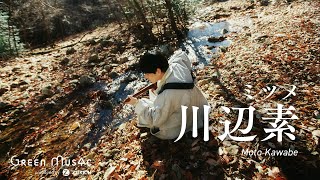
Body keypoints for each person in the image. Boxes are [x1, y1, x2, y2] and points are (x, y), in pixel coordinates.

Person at [125, 50, 208, 140]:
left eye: (147, 74)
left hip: (186, 121)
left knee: (144, 106)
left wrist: (136, 103)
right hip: (199, 106)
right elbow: (181, 54)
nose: (145, 77)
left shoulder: (167, 94)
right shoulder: (175, 64)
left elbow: (155, 120)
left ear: (158, 71)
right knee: (153, 93)